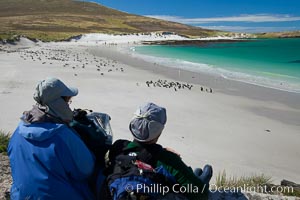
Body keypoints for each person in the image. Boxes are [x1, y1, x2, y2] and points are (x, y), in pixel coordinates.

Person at [8, 77, 96, 200]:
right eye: (67, 101)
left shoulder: (19, 130)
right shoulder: (62, 135)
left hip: (21, 196)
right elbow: (86, 171)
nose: (68, 106)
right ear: (58, 103)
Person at [107, 102, 213, 200]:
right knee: (202, 174)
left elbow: (139, 153)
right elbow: (200, 194)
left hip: (121, 189)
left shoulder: (119, 147)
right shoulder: (168, 160)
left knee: (195, 173)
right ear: (158, 132)